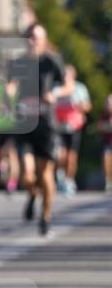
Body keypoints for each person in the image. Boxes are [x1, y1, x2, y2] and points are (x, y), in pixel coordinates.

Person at [6, 22, 64, 235]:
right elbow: (10, 84)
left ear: (43, 40)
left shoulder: (51, 61)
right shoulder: (18, 62)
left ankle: (46, 214)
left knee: (45, 174)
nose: (33, 41)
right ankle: (31, 193)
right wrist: (8, 94)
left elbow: (66, 84)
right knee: (26, 173)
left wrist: (54, 94)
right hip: (24, 122)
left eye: (37, 37)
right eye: (30, 36)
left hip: (46, 124)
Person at [54, 64, 91, 195]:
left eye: (68, 73)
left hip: (74, 126)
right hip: (58, 126)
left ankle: (69, 180)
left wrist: (79, 104)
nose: (65, 76)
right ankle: (60, 176)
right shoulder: (56, 88)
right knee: (60, 154)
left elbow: (87, 106)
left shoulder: (79, 88)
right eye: (63, 73)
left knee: (71, 156)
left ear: (73, 75)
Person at [96, 94, 112, 192]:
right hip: (106, 142)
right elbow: (100, 127)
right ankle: (108, 181)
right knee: (106, 158)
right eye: (107, 103)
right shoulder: (102, 115)